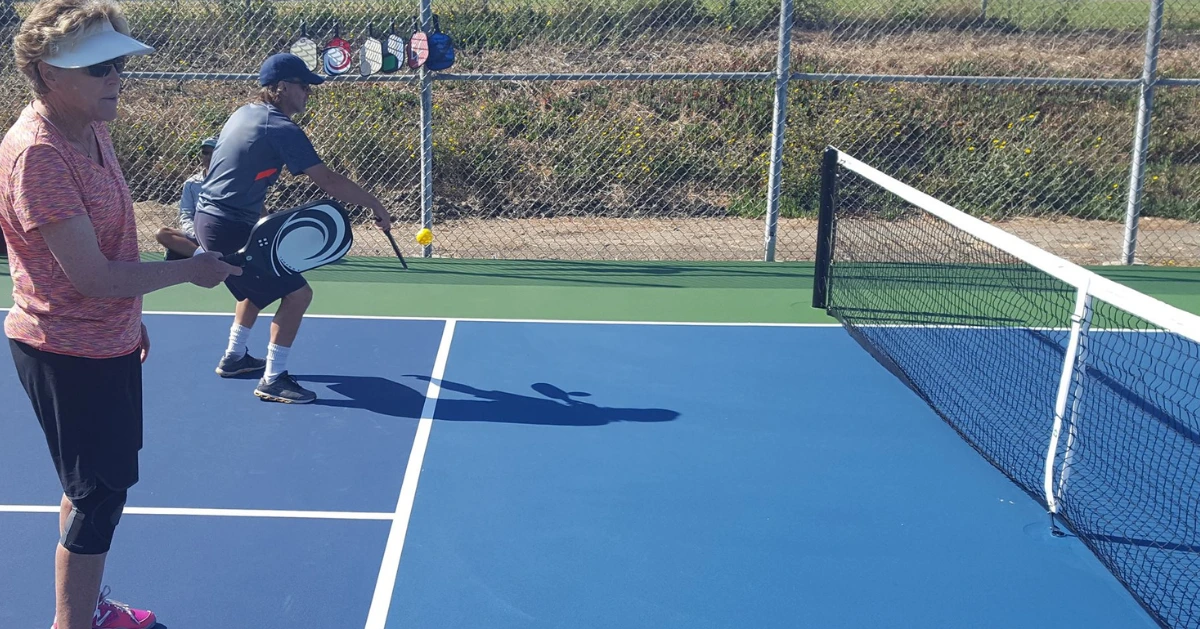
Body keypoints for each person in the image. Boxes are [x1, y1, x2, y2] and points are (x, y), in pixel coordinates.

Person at [0, 1, 241, 627]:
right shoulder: (40, 155)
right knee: (99, 495)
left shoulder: (92, 126)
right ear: (51, 73)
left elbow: (107, 251)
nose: (116, 78)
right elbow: (93, 276)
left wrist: (131, 320)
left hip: (103, 339)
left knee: (88, 488)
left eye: (119, 64)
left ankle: (87, 609)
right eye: (99, 67)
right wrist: (190, 271)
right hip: (66, 350)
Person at [194, 52, 391, 404]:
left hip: (217, 220)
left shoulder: (244, 113)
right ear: (282, 88)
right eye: (304, 87)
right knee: (299, 294)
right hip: (227, 225)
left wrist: (257, 215)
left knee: (253, 286)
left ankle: (235, 357)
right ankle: (272, 379)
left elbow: (232, 171)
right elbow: (327, 180)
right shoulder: (280, 127)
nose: (308, 94)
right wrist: (374, 204)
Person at [155, 135, 216, 260]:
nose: (208, 157)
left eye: (214, 153)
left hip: (222, 234)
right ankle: (204, 256)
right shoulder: (191, 183)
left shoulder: (232, 181)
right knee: (162, 234)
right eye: (205, 153)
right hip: (197, 235)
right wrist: (196, 233)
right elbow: (186, 214)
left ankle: (196, 253)